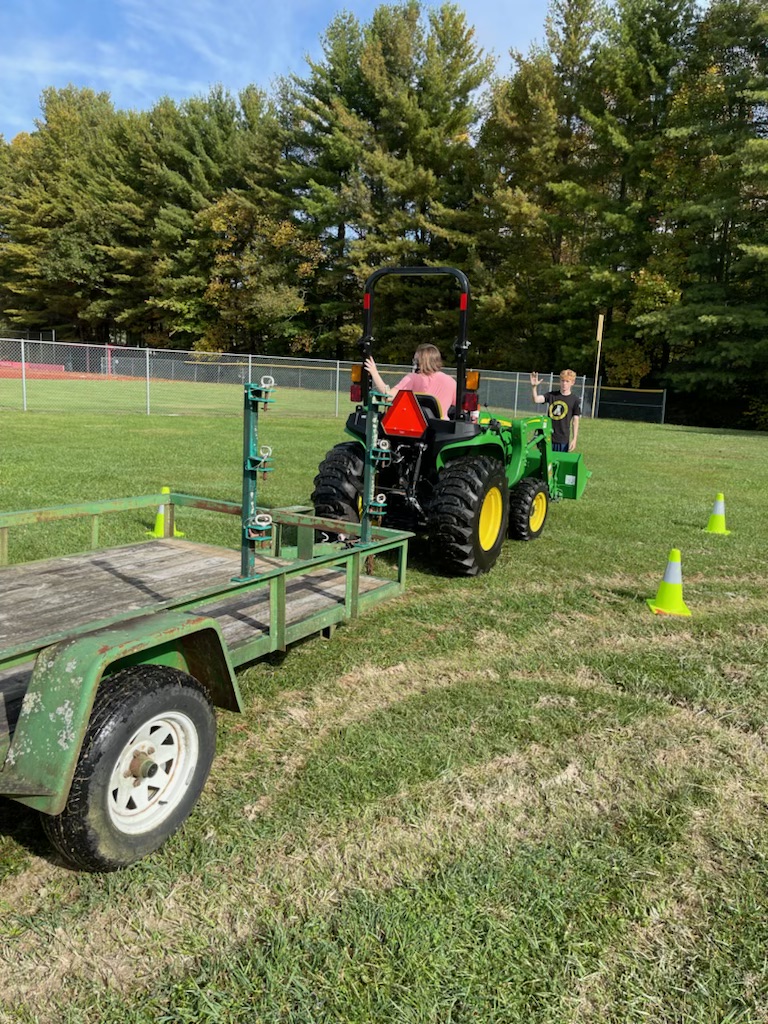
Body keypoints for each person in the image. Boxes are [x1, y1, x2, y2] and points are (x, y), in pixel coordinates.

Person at [364, 343, 457, 420]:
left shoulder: (413, 378)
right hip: (441, 429)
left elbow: (388, 396)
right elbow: (460, 406)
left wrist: (374, 373)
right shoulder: (451, 382)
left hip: (416, 427)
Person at [530, 369, 581, 451]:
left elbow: (575, 421)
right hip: (548, 437)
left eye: (567, 381)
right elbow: (536, 399)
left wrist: (574, 439)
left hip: (562, 440)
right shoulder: (551, 395)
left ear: (572, 383)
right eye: (562, 381)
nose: (564, 384)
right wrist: (534, 387)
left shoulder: (574, 400)